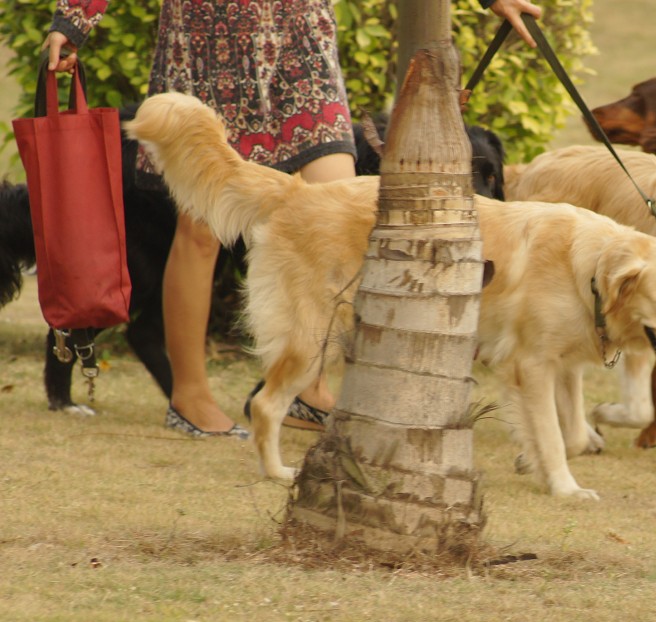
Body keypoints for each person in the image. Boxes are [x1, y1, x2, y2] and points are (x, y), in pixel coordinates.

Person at [43, 0, 542, 438]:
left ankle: (308, 388)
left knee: (339, 200)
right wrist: (75, 18)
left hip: (301, 33)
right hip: (210, 35)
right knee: (201, 228)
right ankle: (189, 398)